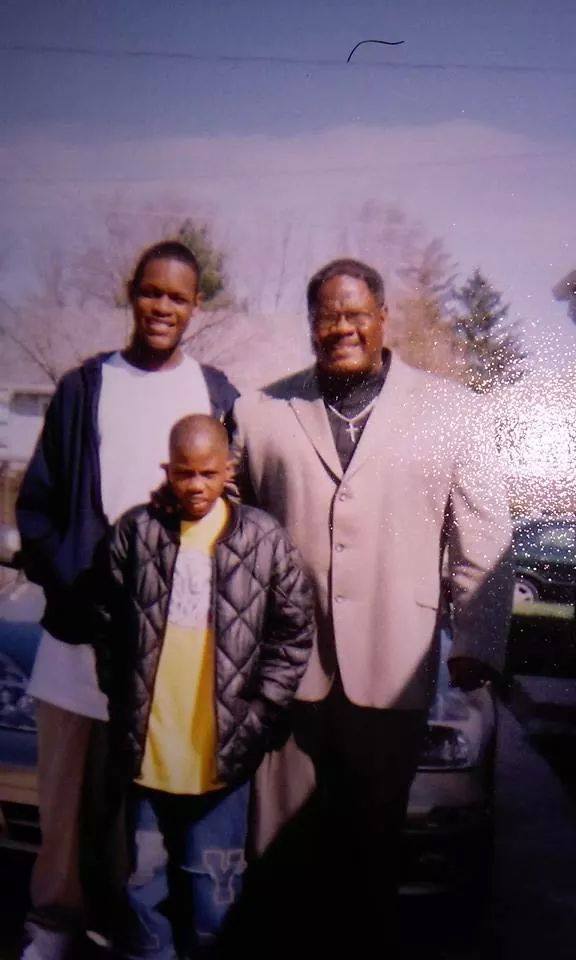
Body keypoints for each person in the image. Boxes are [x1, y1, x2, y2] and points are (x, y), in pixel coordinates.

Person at [231, 258, 514, 953]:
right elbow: (226, 534)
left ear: (383, 318)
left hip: (393, 666)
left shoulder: (451, 412)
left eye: (356, 313)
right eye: (327, 315)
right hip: (286, 674)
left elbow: (483, 535)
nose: (342, 328)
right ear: (311, 324)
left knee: (371, 855)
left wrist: (477, 641)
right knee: (277, 855)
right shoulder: (260, 413)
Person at [16, 241, 239, 960]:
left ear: (194, 307)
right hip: (81, 635)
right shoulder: (86, 388)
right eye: (151, 293)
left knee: (147, 807)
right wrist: (72, 591)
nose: (162, 308)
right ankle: (52, 922)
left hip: (172, 651)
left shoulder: (215, 394)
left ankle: (131, 929)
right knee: (67, 797)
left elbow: (237, 513)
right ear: (131, 293)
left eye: (177, 297)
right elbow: (40, 508)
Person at [92, 414, 314, 959]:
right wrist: (123, 701)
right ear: (168, 470)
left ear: (229, 469)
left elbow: (294, 632)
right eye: (184, 474)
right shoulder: (137, 532)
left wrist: (260, 714)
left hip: (223, 754)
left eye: (208, 474)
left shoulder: (263, 538)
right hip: (148, 751)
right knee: (143, 886)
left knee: (214, 889)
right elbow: (106, 620)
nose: (195, 487)